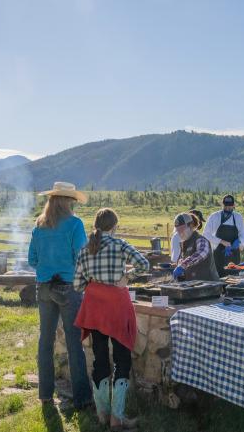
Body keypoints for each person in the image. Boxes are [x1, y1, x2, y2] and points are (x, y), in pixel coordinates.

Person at [73, 208, 149, 430]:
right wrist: (126, 277)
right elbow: (144, 264)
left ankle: (102, 414)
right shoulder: (120, 244)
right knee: (122, 359)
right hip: (117, 306)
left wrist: (94, 284)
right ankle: (118, 417)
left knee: (99, 359)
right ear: (114, 226)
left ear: (96, 225)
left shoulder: (86, 248)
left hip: (95, 307)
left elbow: (77, 285)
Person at [27, 181, 92, 410]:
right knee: (75, 343)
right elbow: (82, 256)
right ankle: (82, 398)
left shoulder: (39, 225)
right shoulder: (75, 224)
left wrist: (48, 265)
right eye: (72, 200)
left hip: (44, 286)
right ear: (67, 202)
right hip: (68, 287)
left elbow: (32, 260)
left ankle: (45, 394)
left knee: (46, 340)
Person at [204, 195, 244, 276]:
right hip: (218, 254)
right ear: (222, 204)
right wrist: (221, 241)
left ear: (234, 205)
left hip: (234, 254)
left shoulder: (238, 217)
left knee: (234, 279)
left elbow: (243, 235)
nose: (228, 207)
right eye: (226, 205)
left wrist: (239, 242)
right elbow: (206, 234)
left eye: (230, 205)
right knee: (219, 278)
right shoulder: (214, 216)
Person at [173, 212, 219, 281]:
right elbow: (184, 262)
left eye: (182, 229)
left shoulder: (201, 240)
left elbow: (201, 252)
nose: (180, 233)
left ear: (191, 226)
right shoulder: (184, 244)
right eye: (178, 230)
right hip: (195, 286)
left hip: (209, 285)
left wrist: (182, 265)